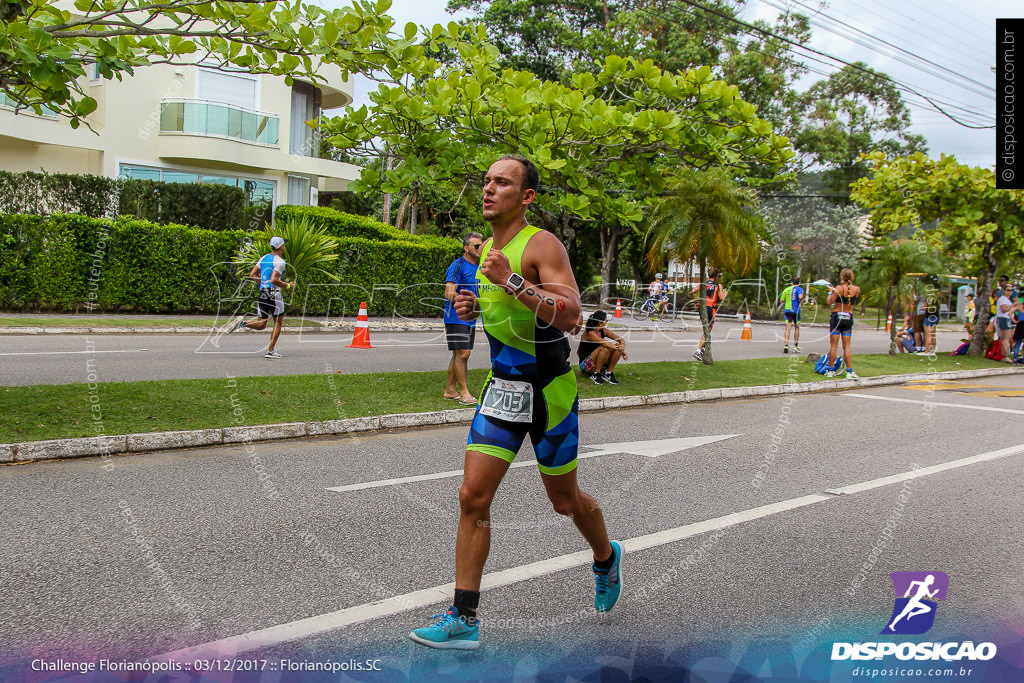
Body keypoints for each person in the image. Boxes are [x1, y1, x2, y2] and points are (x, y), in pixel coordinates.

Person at [408, 155, 622, 650]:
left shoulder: (541, 244)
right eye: (485, 181)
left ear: (526, 197)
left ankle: (606, 556)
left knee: (564, 501)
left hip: (549, 393)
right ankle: (464, 617)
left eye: (502, 183)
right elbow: (508, 314)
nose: (488, 189)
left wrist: (510, 280)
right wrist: (474, 304)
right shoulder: (486, 252)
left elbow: (569, 317)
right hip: (503, 389)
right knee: (472, 497)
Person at [227, 235, 292, 359]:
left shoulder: (263, 258)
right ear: (281, 247)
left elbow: (253, 274)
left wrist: (263, 282)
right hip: (273, 293)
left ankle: (243, 323)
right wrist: (288, 285)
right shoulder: (280, 262)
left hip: (263, 292)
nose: (284, 246)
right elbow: (274, 280)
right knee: (278, 322)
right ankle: (270, 351)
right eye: (283, 244)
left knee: (262, 324)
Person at [443, 232, 484, 405]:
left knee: (458, 354)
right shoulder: (458, 265)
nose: (480, 249)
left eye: (481, 245)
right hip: (455, 316)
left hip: (470, 317)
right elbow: (449, 292)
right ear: (466, 248)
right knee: (463, 353)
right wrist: (464, 303)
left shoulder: (479, 267)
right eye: (476, 246)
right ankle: (464, 393)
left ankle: (450, 390)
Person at [825, 268, 861, 379]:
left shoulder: (839, 288)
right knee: (847, 346)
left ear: (842, 277)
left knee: (834, 346)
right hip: (848, 317)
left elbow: (829, 301)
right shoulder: (857, 289)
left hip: (837, 317)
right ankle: (849, 371)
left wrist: (830, 291)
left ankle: (830, 370)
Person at [577, 310, 628, 384]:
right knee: (603, 348)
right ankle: (596, 374)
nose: (606, 322)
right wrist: (622, 351)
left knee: (617, 346)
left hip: (599, 360)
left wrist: (622, 346)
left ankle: (609, 373)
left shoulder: (604, 331)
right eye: (605, 320)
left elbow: (620, 339)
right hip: (586, 364)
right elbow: (604, 343)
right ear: (600, 322)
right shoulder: (589, 332)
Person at [692, 267, 726, 361]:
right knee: (708, 330)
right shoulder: (718, 285)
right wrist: (725, 294)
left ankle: (702, 349)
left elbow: (692, 291)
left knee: (705, 329)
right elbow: (722, 298)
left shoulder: (703, 283)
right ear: (716, 275)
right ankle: (698, 350)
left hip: (702, 308)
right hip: (711, 308)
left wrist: (696, 302)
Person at [779, 276, 804, 354]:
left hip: (788, 310)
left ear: (792, 282)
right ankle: (795, 346)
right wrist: (801, 300)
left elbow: (781, 300)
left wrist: (788, 299)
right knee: (796, 327)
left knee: (788, 327)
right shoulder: (800, 289)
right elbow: (800, 296)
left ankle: (786, 345)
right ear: (799, 283)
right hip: (796, 311)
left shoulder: (786, 289)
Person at [994, 286, 1018, 362]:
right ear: (1004, 291)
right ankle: (1005, 356)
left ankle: (1004, 355)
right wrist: (1013, 305)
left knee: (1006, 338)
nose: (1010, 292)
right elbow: (1004, 309)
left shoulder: (1007, 300)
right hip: (1003, 319)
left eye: (1011, 290)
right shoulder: (1003, 299)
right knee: (1005, 338)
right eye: (1008, 290)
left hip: (1007, 319)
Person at [919, 289, 940, 355]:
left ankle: (927, 351)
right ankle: (933, 351)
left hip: (928, 317)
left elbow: (926, 307)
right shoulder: (937, 300)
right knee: (933, 334)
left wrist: (925, 308)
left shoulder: (929, 300)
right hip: (935, 317)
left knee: (928, 335)